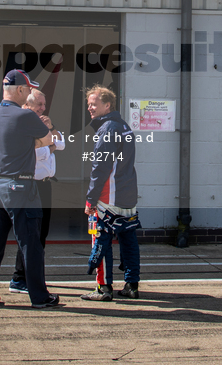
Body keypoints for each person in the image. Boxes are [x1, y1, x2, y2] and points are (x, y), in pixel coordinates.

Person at [0, 69, 60, 309]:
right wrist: (31, 141)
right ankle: (40, 297)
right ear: (21, 90)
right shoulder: (26, 117)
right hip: (20, 185)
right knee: (30, 243)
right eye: (29, 89)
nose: (31, 92)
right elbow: (48, 141)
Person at [82, 84, 141, 302]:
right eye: (88, 104)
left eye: (94, 104)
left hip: (109, 197)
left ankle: (103, 288)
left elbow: (100, 168)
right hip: (127, 195)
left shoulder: (107, 129)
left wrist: (90, 199)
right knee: (128, 239)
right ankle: (132, 285)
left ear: (107, 105)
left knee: (101, 239)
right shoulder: (123, 125)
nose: (90, 107)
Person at [9, 89, 65, 294]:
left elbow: (62, 143)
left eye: (44, 104)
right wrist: (50, 143)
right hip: (31, 185)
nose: (44, 108)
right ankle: (19, 278)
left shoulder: (44, 123)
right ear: (27, 104)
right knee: (29, 233)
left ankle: (34, 277)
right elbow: (38, 153)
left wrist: (50, 135)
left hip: (45, 184)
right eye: (39, 104)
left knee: (41, 234)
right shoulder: (25, 124)